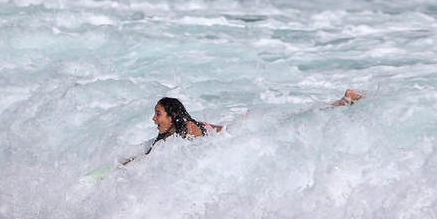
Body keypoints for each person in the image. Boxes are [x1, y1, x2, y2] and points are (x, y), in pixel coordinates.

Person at [142, 89, 363, 156]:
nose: (154, 118)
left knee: (295, 120)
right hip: (235, 130)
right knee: (292, 119)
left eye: (158, 114)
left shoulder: (187, 130)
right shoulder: (171, 134)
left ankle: (344, 102)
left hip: (246, 132)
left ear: (172, 116)